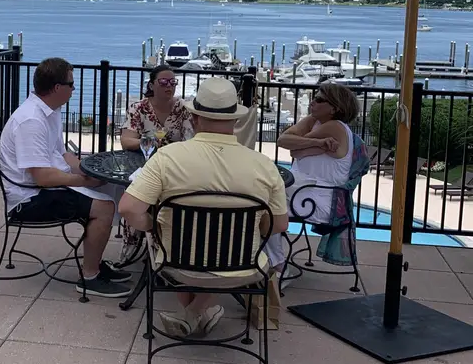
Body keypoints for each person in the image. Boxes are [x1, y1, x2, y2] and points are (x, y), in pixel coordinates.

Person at [119, 77, 288, 337]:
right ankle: (200, 312)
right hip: (244, 266)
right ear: (235, 121)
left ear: (195, 119)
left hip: (177, 264)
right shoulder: (263, 165)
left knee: (177, 238)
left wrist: (154, 225)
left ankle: (192, 314)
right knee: (224, 242)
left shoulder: (167, 157)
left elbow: (129, 209)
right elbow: (279, 225)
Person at [0, 57, 133, 298]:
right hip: (28, 199)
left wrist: (89, 172)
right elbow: (42, 177)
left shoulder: (49, 111)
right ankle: (90, 276)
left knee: (111, 187)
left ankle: (95, 258)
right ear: (57, 88)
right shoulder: (31, 120)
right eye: (71, 84)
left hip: (42, 188)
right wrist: (84, 181)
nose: (74, 89)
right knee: (103, 207)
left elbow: (62, 154)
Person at [272, 83, 362, 272]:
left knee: (264, 208)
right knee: (263, 199)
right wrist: (318, 143)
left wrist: (301, 145)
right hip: (305, 192)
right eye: (314, 96)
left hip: (320, 200)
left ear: (335, 108)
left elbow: (293, 147)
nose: (313, 101)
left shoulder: (335, 126)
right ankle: (271, 262)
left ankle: (278, 266)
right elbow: (284, 141)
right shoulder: (314, 121)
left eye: (319, 99)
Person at [120, 65, 193, 150]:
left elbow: (190, 140)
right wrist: (149, 142)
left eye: (173, 82)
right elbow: (126, 141)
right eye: (163, 81)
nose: (169, 85)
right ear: (151, 86)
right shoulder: (138, 109)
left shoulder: (184, 108)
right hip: (146, 159)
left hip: (176, 159)